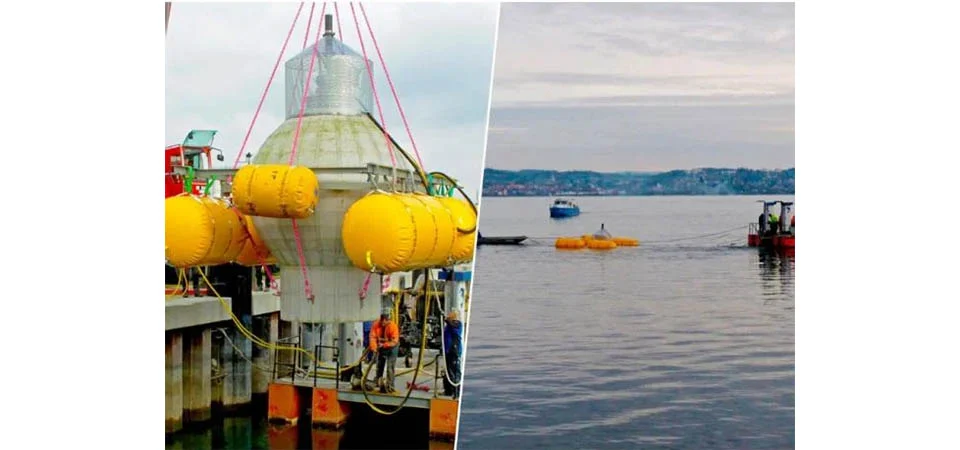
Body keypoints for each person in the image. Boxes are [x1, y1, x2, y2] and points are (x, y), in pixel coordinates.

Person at [369, 311, 400, 393]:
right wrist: (374, 348)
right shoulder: (376, 325)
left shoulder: (393, 327)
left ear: (387, 320)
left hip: (392, 348)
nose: (383, 323)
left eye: (385, 321)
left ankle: (390, 385)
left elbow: (394, 341)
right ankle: (378, 381)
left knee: (390, 367)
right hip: (381, 347)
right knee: (379, 365)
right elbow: (372, 337)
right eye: (382, 321)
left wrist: (384, 345)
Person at [442, 310, 463, 399]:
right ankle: (448, 391)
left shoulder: (457, 324)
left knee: (454, 372)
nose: (448, 315)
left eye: (450, 314)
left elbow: (452, 326)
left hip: (454, 351)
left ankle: (456, 392)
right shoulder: (448, 326)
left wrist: (446, 319)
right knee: (447, 371)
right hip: (448, 351)